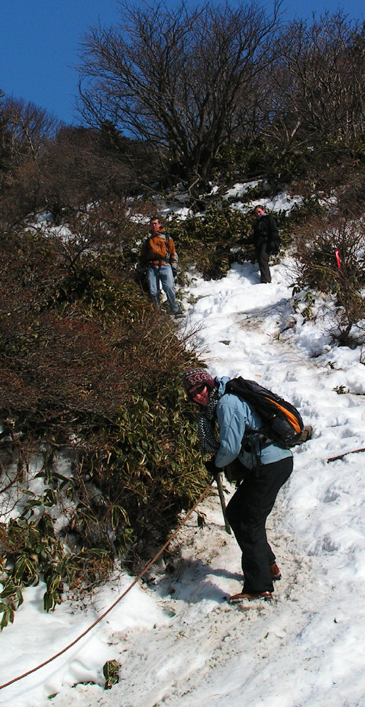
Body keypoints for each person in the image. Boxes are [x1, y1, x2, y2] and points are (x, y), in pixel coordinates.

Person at [182, 367, 294, 603]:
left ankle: (258, 586)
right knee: (237, 512)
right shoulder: (223, 400)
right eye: (191, 394)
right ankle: (268, 564)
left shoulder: (226, 404)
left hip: (270, 464)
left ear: (209, 384)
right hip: (269, 463)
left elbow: (230, 447)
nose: (197, 396)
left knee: (248, 520)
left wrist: (216, 464)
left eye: (199, 389)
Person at [140, 216, 182, 316]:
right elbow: (143, 255)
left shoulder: (167, 238)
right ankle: (156, 311)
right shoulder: (147, 240)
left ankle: (175, 309)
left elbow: (173, 253)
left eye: (155, 223)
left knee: (169, 287)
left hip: (165, 265)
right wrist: (141, 267)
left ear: (159, 224)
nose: (154, 225)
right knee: (153, 291)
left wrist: (174, 267)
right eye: (152, 223)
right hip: (151, 267)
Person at [252, 205, 280, 284]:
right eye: (256, 213)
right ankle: (264, 279)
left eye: (259, 212)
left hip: (266, 242)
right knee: (261, 260)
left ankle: (266, 280)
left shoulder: (269, 219)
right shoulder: (258, 222)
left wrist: (273, 243)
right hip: (259, 244)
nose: (258, 214)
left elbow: (274, 231)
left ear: (263, 210)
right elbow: (255, 236)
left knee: (262, 259)